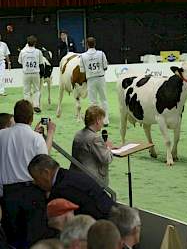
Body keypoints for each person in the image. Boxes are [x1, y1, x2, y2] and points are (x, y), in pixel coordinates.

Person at [0, 99, 56, 248]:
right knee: (33, 239)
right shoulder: (36, 138)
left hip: (8, 193)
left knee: (12, 239)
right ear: (31, 118)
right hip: (32, 192)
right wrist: (49, 134)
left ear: (15, 116)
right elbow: (45, 162)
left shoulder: (1, 135)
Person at [28, 154, 115, 220]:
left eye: (35, 178)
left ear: (46, 173)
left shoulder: (61, 191)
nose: (35, 182)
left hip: (102, 226)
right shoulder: (70, 175)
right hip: (111, 214)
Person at [71, 106, 113, 186]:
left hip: (77, 177)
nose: (103, 123)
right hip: (92, 181)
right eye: (102, 120)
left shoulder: (78, 134)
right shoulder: (95, 138)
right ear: (97, 120)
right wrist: (108, 147)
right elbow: (107, 159)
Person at [79, 37, 109, 126]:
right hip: (100, 78)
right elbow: (105, 67)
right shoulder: (101, 53)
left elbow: (82, 71)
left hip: (91, 79)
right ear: (95, 44)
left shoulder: (83, 56)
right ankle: (106, 120)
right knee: (104, 99)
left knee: (93, 101)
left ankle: (96, 121)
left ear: (87, 45)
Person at [18, 35, 44, 113]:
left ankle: (27, 107)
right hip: (35, 73)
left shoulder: (23, 51)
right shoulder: (38, 52)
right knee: (36, 90)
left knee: (26, 91)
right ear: (35, 43)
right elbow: (40, 62)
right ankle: (36, 105)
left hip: (26, 73)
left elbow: (20, 61)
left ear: (27, 43)